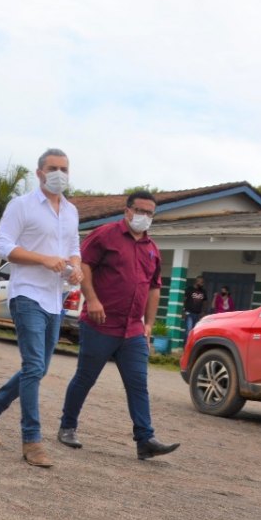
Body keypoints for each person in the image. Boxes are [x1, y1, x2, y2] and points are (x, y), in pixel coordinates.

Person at [0, 149, 80, 468]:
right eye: (53, 168)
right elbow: (2, 245)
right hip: (27, 294)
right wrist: (43, 258)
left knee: (40, 368)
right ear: (40, 173)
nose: (59, 174)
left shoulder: (71, 211)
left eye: (64, 169)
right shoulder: (22, 205)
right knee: (34, 366)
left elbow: (74, 248)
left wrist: (76, 265)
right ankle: (31, 440)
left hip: (54, 298)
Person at [57, 191, 180, 459]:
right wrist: (92, 301)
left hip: (133, 331)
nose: (144, 217)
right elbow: (84, 267)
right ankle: (67, 427)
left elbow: (154, 288)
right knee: (85, 378)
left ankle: (145, 439)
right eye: (140, 211)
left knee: (138, 383)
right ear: (127, 211)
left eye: (150, 213)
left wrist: (149, 325)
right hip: (100, 324)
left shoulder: (151, 249)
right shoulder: (104, 235)